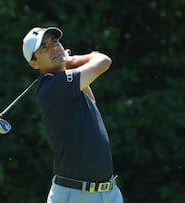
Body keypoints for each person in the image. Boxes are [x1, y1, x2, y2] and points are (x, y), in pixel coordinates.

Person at [22, 26, 123, 203]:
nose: (54, 48)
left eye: (55, 42)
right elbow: (103, 61)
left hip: (108, 193)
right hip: (75, 195)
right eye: (44, 47)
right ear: (34, 63)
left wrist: (64, 63)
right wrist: (72, 59)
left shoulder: (69, 84)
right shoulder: (52, 86)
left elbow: (91, 99)